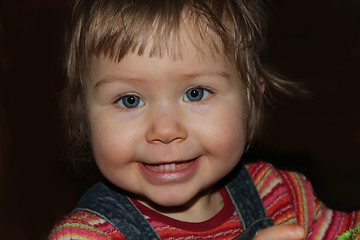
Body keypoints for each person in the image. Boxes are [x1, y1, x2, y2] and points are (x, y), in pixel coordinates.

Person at [49, 0, 359, 239]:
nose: (165, 130)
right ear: (85, 117)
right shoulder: (86, 235)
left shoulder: (282, 194)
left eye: (196, 93)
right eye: (130, 100)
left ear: (251, 103)